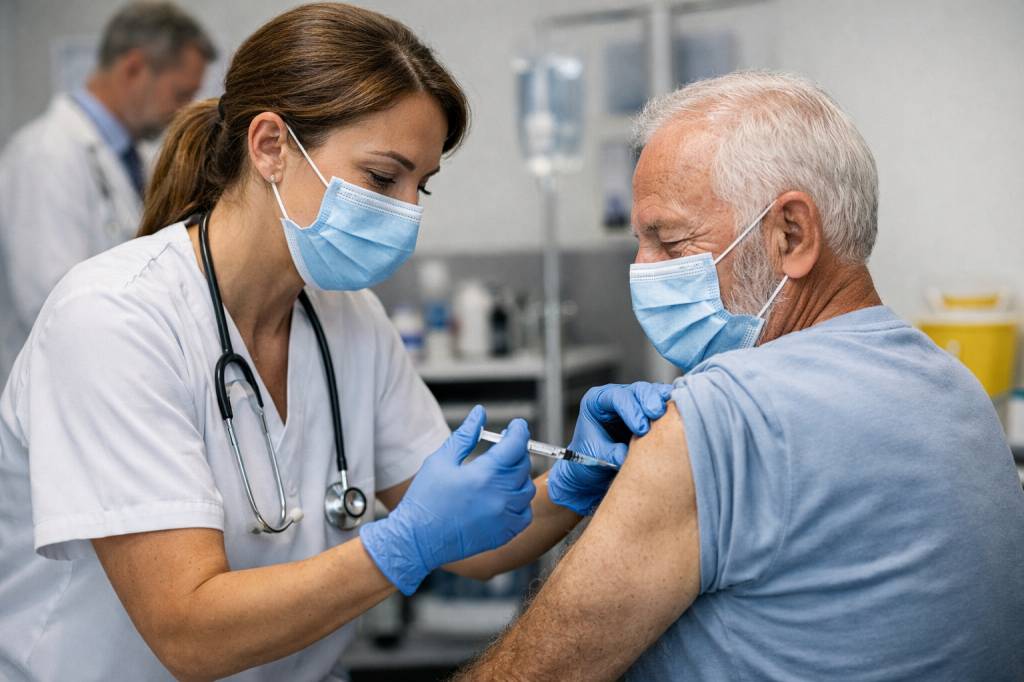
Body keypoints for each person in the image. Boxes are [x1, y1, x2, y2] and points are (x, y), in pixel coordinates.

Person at [0, 4, 671, 680]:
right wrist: (402, 544)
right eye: (384, 177)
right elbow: (190, 631)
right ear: (269, 147)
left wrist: (577, 480)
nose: (408, 212)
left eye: (421, 186)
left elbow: (465, 541)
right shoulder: (114, 321)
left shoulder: (348, 318)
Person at [459, 71, 1024, 681]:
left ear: (792, 234)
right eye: (638, 243)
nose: (641, 271)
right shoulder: (957, 387)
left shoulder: (724, 413)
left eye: (670, 244)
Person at [0, 1, 216, 386]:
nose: (183, 111)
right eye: (180, 93)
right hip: (65, 381)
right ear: (134, 68)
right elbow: (49, 300)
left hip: (120, 366)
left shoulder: (138, 157)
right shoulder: (47, 153)